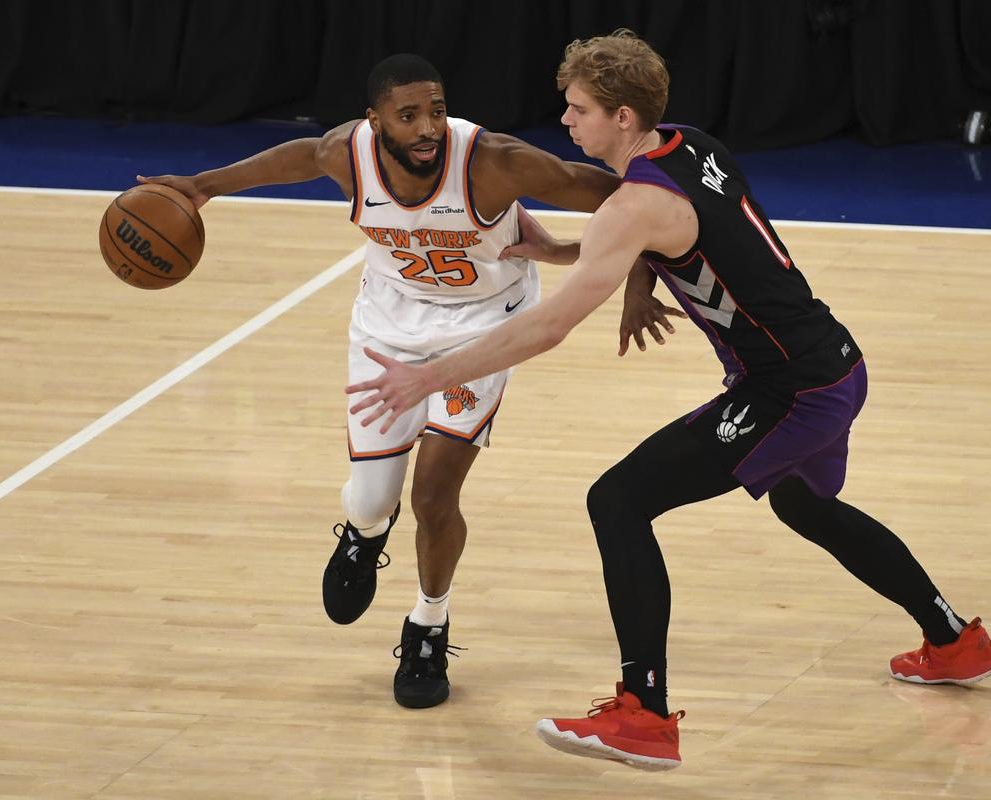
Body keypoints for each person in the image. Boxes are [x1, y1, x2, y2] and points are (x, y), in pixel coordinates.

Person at [344, 30, 991, 769]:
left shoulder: (634, 207)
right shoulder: (692, 146)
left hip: (789, 391)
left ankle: (645, 714)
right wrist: (570, 255)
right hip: (836, 365)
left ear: (622, 118)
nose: (566, 122)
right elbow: (677, 232)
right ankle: (953, 641)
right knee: (803, 504)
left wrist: (424, 377)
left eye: (579, 109)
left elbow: (553, 325)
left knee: (618, 501)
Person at [137, 54, 671, 710]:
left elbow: (632, 200)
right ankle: (363, 533)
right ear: (375, 121)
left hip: (482, 327)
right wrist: (201, 187)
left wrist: (627, 280)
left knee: (433, 494)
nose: (428, 127)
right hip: (386, 330)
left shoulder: (493, 163)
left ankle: (428, 623)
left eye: (438, 110)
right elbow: (300, 156)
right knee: (371, 500)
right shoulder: (346, 154)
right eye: (409, 115)